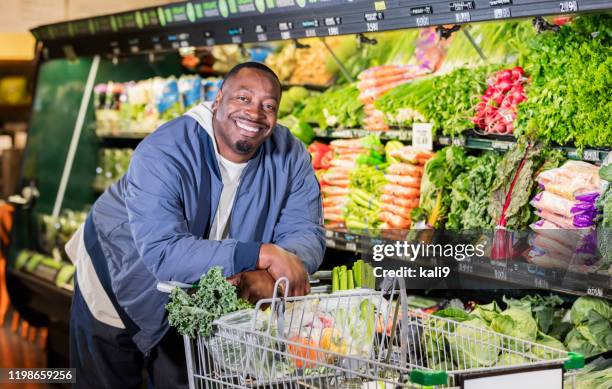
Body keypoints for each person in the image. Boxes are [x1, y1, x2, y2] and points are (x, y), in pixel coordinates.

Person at [65, 62, 325, 388]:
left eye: (268, 105)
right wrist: (262, 255)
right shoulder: (165, 150)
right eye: (243, 98)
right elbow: (164, 254)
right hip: (118, 273)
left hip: (195, 292)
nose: (255, 113)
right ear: (217, 101)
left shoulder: (290, 155)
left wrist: (274, 269)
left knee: (184, 378)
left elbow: (306, 229)